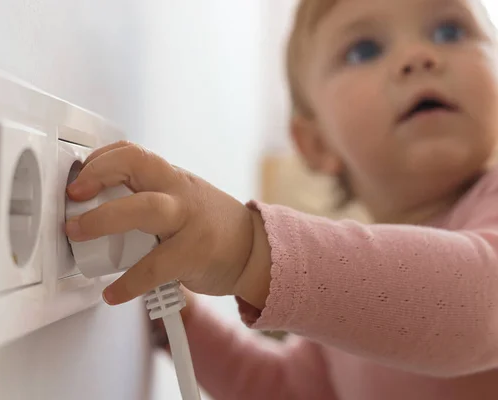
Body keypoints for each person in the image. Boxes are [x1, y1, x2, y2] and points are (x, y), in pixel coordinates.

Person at [65, 0, 498, 398]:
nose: (419, 57)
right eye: (365, 49)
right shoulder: (346, 295)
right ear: (315, 143)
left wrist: (249, 250)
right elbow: (288, 390)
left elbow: (480, 305)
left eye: (450, 32)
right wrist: (183, 324)